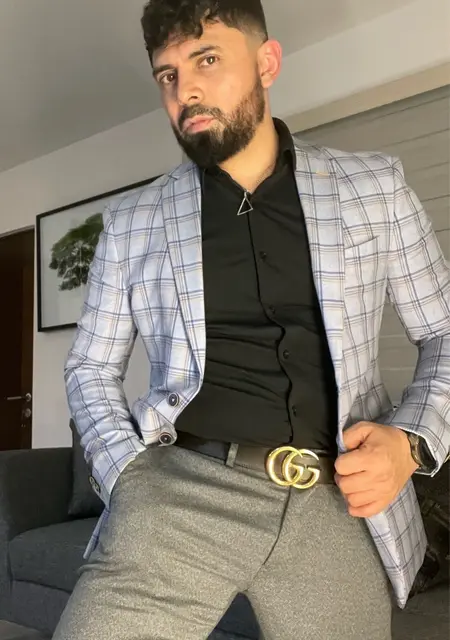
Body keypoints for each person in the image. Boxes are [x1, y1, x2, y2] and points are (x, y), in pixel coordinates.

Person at [54, 1, 450, 638]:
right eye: (167, 75)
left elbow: (443, 331)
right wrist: (127, 476)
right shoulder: (132, 222)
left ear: (267, 63)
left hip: (338, 496)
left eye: (207, 59)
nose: (185, 90)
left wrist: (410, 441)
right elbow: (90, 367)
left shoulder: (375, 188)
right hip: (180, 491)